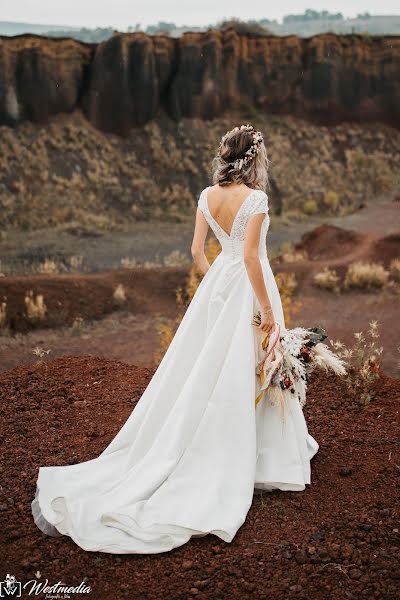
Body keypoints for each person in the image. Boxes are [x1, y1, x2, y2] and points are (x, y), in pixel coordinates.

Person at [32, 124, 318, 554]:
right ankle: (262, 457)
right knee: (252, 364)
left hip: (219, 285)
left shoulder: (206, 196)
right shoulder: (255, 200)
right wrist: (263, 310)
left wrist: (216, 287)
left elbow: (197, 252)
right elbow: (251, 258)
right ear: (253, 159)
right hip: (249, 286)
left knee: (209, 370)